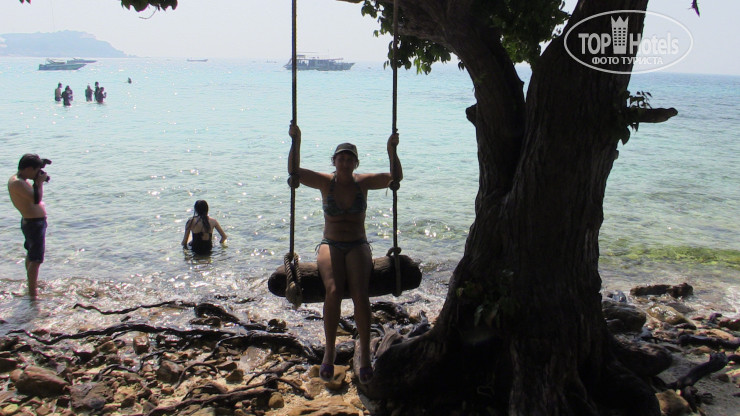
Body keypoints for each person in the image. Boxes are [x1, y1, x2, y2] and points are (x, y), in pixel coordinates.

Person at [287, 123, 402, 384]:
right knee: (333, 290)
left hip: (358, 244)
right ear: (334, 161)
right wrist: (296, 139)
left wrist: (391, 149)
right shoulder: (324, 182)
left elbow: (395, 178)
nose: (345, 162)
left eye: (350, 159)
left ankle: (365, 355)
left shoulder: (364, 183)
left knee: (360, 293)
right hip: (331, 244)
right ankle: (329, 351)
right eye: (341, 158)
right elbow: (294, 172)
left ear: (355, 163)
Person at [8, 154, 51, 300]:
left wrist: (39, 169)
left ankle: (31, 285)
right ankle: (33, 294)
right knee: (36, 259)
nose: (37, 173)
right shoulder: (17, 182)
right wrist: (39, 182)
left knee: (31, 255)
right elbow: (36, 198)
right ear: (28, 169)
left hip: (33, 222)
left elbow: (33, 197)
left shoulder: (21, 180)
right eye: (36, 170)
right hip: (33, 223)